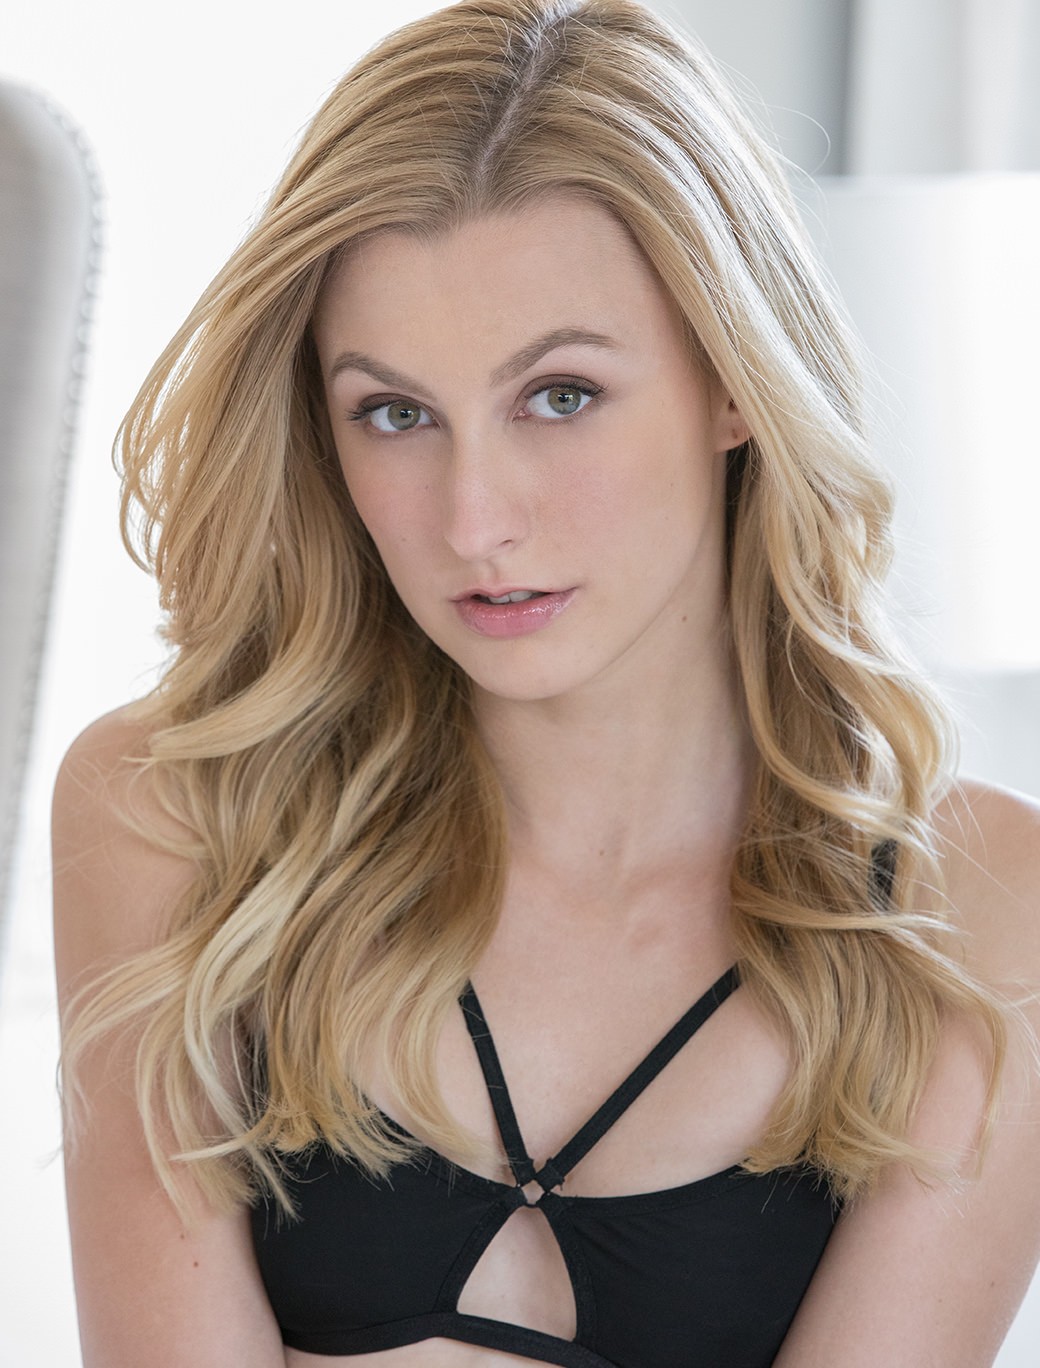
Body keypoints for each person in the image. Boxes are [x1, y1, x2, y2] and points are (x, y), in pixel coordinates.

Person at [53, 1, 1040, 1364]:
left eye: (560, 396)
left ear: (734, 383)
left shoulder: (983, 913)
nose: (474, 522)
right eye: (396, 413)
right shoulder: (176, 819)